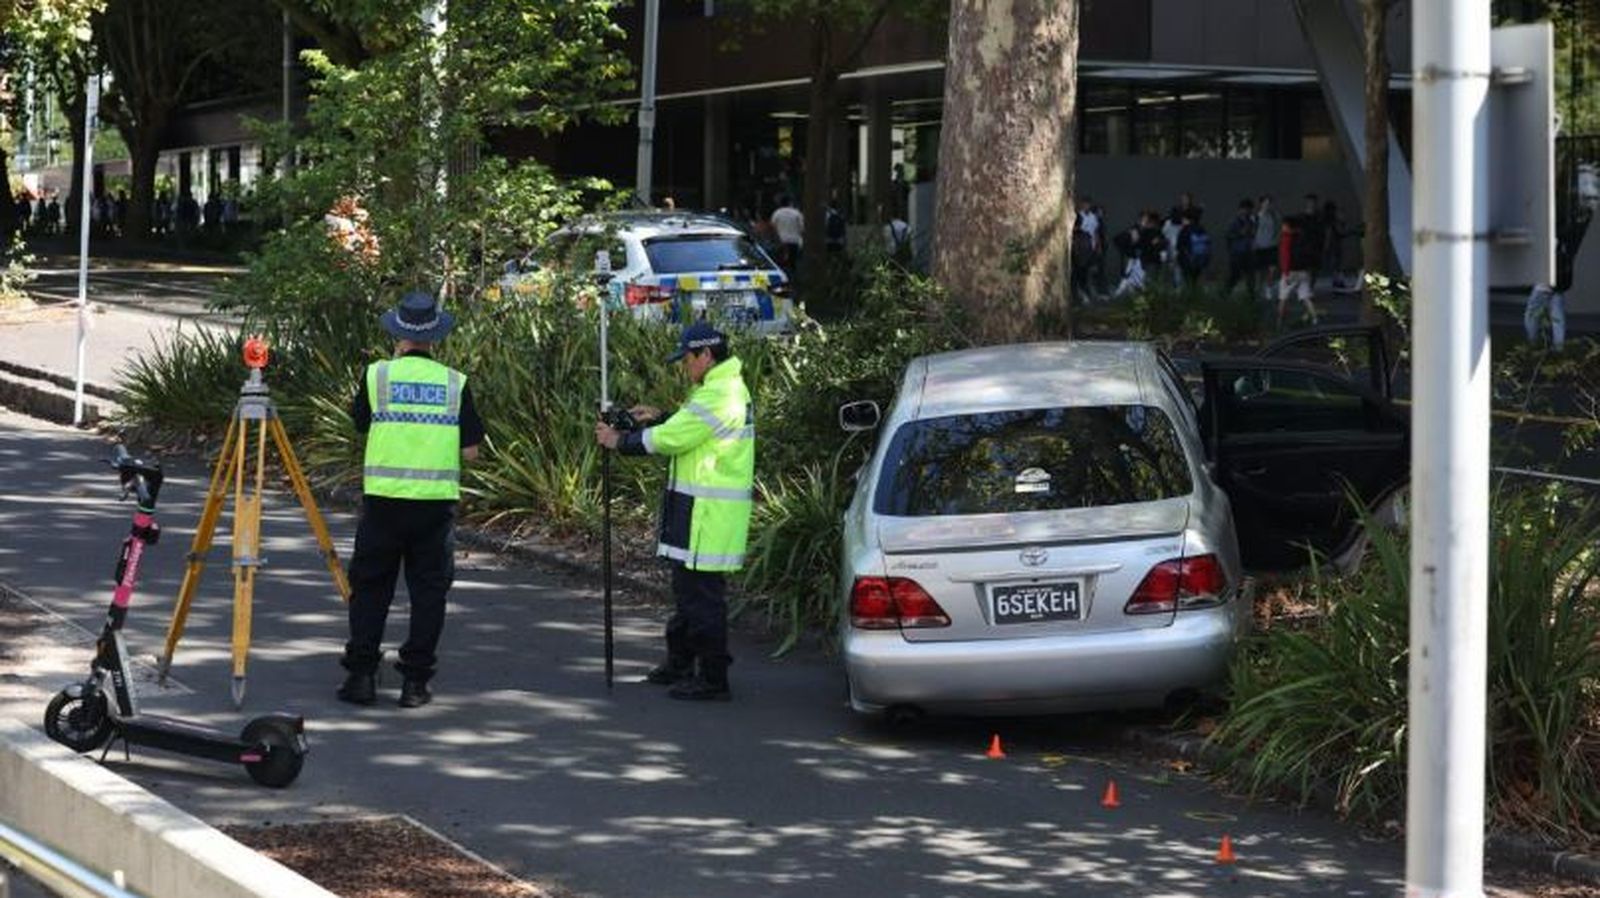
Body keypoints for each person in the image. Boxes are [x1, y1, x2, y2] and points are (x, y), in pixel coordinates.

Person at [338, 290, 484, 708]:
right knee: (428, 594)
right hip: (435, 506)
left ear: (397, 334)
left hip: (383, 501)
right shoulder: (455, 383)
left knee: (370, 589)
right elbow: (472, 449)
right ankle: (414, 684)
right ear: (434, 338)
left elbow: (361, 425)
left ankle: (362, 677)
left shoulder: (377, 376)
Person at [594, 321, 755, 701]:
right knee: (687, 593)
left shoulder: (720, 394)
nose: (685, 366)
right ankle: (680, 663)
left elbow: (672, 439)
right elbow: (690, 430)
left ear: (706, 355)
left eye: (687, 359)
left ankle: (713, 679)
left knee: (702, 599)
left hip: (708, 516)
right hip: (698, 512)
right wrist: (662, 414)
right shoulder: (719, 388)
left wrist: (620, 441)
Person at [1277, 211, 1321, 329]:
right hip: (1304, 271)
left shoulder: (1286, 238)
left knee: (1283, 297)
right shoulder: (1303, 236)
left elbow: (1285, 256)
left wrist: (1285, 273)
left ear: (1287, 226)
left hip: (1291, 271)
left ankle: (1279, 321)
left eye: (1284, 225)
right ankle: (1315, 318)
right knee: (1305, 296)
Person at [1226, 198, 1257, 294]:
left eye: (1250, 209)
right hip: (1237, 253)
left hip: (1248, 252)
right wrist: (1240, 233)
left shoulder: (1251, 222)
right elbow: (1228, 236)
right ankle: (1224, 293)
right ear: (1241, 209)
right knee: (1235, 276)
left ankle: (1250, 297)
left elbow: (1252, 235)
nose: (1248, 212)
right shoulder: (1234, 221)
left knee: (1251, 276)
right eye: (1247, 209)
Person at [1253, 195, 1281, 298]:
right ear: (1261, 204)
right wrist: (1254, 243)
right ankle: (1257, 289)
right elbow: (1252, 231)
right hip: (1260, 247)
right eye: (1267, 203)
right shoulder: (1256, 217)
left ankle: (1268, 288)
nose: (1269, 205)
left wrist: (1277, 240)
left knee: (1272, 269)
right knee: (1259, 271)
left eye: (1270, 203)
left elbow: (1279, 228)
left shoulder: (1274, 216)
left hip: (1272, 246)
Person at [770, 195, 803, 272]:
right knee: (793, 262)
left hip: (781, 240)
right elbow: (802, 227)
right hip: (794, 240)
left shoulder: (777, 213)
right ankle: (793, 277)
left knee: (780, 263)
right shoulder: (797, 213)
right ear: (790, 203)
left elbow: (773, 226)